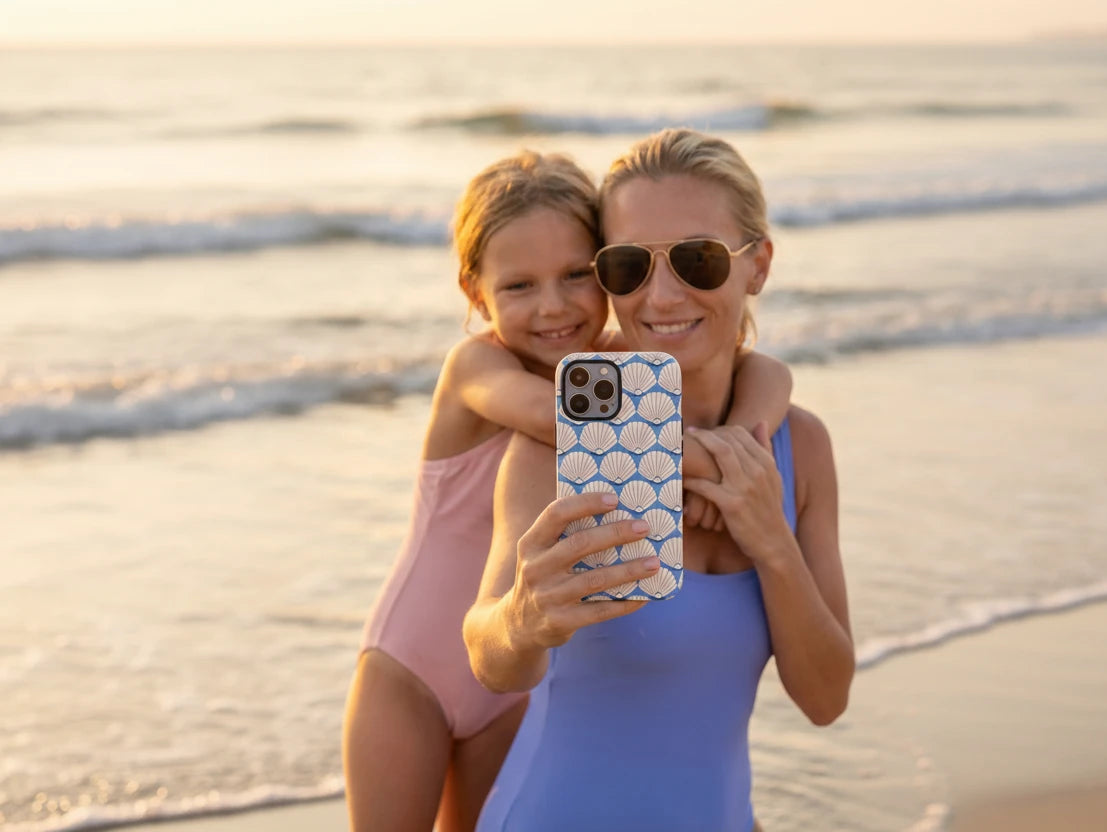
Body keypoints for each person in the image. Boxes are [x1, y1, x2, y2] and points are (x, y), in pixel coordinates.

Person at [342, 150, 794, 832]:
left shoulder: (613, 362)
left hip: (520, 665)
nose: (553, 308)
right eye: (519, 286)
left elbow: (764, 370)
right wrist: (708, 459)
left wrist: (741, 427)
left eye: (577, 276)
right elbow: (555, 415)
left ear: (611, 272)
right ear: (475, 293)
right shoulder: (477, 367)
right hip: (414, 671)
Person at [463, 128, 855, 832]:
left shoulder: (802, 448)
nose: (662, 295)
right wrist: (523, 620)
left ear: (757, 265)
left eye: (698, 261)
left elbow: (826, 698)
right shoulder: (560, 444)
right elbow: (489, 655)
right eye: (628, 267)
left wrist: (772, 542)